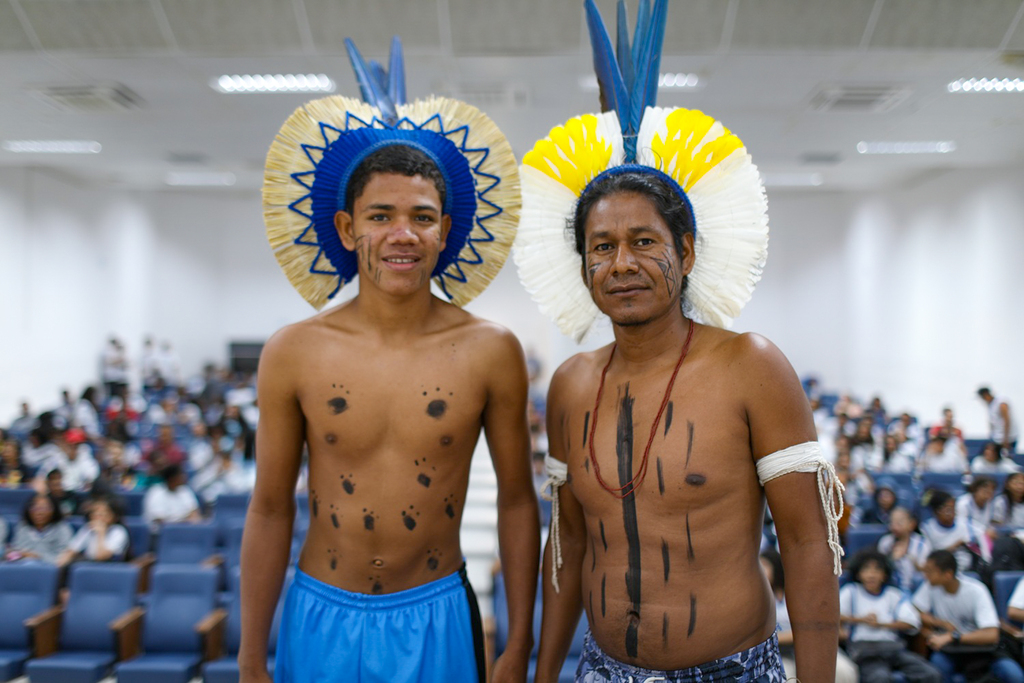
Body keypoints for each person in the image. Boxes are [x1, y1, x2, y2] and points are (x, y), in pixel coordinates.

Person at [518, 5, 840, 680]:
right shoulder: (572, 384)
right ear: (581, 264)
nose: (622, 263)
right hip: (601, 668)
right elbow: (570, 547)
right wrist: (543, 672)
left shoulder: (750, 364)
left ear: (686, 250)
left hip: (731, 667)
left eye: (644, 242)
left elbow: (809, 543)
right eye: (601, 246)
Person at [239, 36, 537, 683]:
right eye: (381, 215)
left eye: (422, 217)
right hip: (320, 612)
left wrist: (519, 642)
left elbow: (518, 500)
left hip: (436, 615)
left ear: (446, 231)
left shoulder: (492, 350)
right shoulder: (293, 351)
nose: (402, 234)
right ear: (347, 229)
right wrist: (249, 656)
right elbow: (268, 507)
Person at [913, 549, 1024, 683]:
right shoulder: (930, 586)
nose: (925, 575)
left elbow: (991, 635)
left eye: (930, 572)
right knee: (938, 665)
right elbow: (915, 611)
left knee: (1013, 675)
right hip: (951, 650)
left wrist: (953, 636)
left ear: (947, 574)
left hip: (982, 649)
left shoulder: (976, 590)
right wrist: (939, 623)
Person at [839, 550, 940, 683]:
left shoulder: (894, 595)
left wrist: (881, 624)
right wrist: (861, 620)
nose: (871, 575)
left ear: (884, 575)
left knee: (930, 674)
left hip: (893, 648)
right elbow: (833, 616)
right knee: (881, 678)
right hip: (865, 650)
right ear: (859, 574)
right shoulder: (850, 592)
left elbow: (911, 622)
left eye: (877, 570)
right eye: (866, 570)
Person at [760, 550, 857, 683]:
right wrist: (795, 636)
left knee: (844, 671)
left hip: (812, 648)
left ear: (777, 567)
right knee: (787, 678)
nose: (760, 571)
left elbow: (835, 630)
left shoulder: (799, 593)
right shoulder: (756, 600)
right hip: (778, 653)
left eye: (764, 566)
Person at [920, 490, 989, 573]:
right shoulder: (926, 529)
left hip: (968, 570)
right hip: (940, 573)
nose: (953, 513)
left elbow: (984, 534)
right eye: (948, 510)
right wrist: (955, 545)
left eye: (954, 509)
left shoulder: (965, 523)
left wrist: (986, 558)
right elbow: (927, 559)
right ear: (936, 511)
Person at [56, 496, 128, 566]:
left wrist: (101, 533)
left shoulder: (118, 531)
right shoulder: (87, 528)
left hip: (110, 569)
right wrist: (61, 562)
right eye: (95, 513)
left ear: (114, 516)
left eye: (103, 513)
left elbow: (101, 557)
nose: (98, 516)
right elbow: (72, 550)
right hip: (89, 566)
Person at [7, 493, 73, 563]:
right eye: (35, 508)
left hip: (52, 569)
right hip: (23, 568)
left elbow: (65, 557)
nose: (39, 513)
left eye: (44, 508)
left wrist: (37, 557)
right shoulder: (23, 526)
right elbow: (17, 551)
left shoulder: (62, 528)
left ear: (54, 510)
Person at [878, 507, 931, 593]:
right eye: (892, 522)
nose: (895, 526)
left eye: (899, 522)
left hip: (916, 589)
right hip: (891, 590)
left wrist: (913, 561)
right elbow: (879, 568)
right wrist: (891, 559)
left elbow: (927, 571)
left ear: (911, 524)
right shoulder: (885, 542)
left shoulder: (922, 544)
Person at [979, 387, 1018, 457]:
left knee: (1006, 460)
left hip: (1006, 439)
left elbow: (1007, 420)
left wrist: (1005, 439)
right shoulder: (990, 405)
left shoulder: (1001, 402)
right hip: (997, 438)